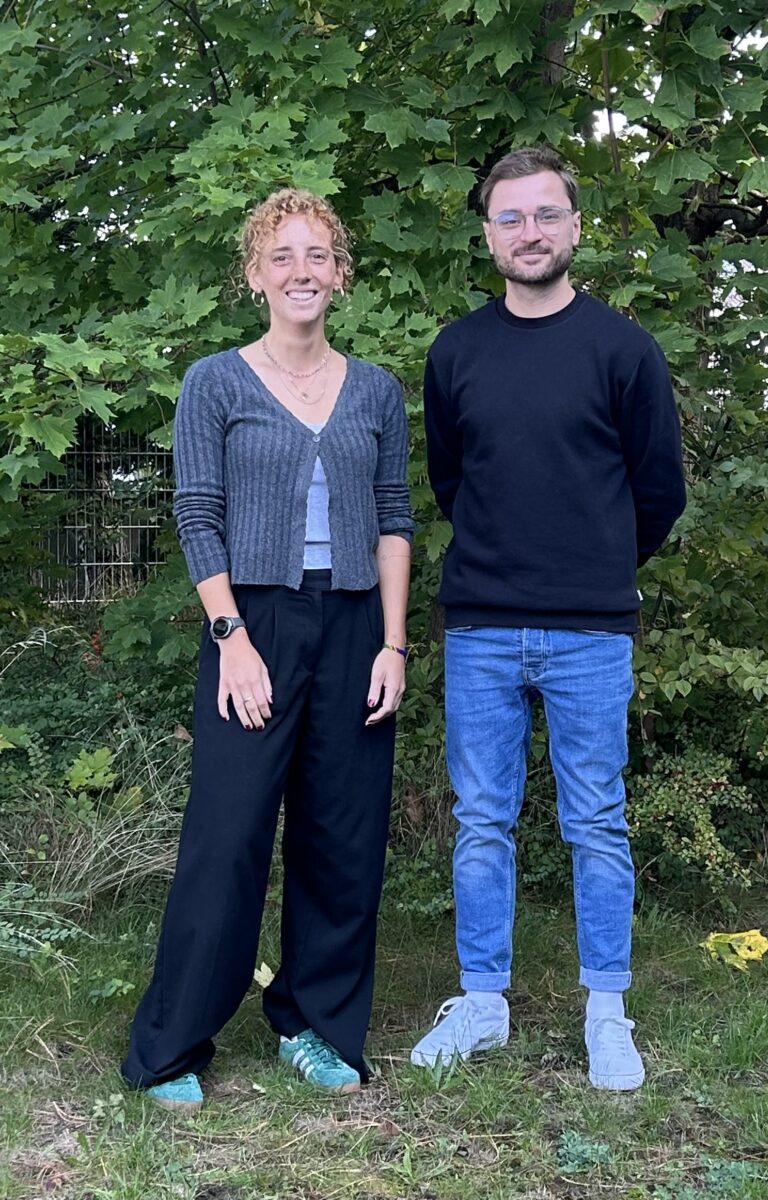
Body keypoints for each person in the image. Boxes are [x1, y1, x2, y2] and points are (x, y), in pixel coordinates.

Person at [121, 187, 413, 1111]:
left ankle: (313, 1024)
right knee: (228, 835)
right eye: (281, 255)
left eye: (317, 254)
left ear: (340, 274)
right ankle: (172, 1046)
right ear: (254, 275)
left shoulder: (376, 390)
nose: (300, 271)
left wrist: (394, 644)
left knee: (343, 838)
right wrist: (230, 637)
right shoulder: (215, 382)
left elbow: (395, 520)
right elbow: (196, 514)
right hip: (251, 624)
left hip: (355, 625)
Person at [412, 145, 686, 1090]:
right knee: (481, 822)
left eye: (544, 215)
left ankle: (605, 1012)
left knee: (596, 822)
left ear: (573, 225)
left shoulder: (623, 350)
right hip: (480, 626)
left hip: (590, 631)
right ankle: (482, 1002)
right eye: (510, 218)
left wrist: (593, 566)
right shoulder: (455, 352)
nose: (528, 233)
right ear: (487, 234)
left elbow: (657, 491)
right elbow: (452, 481)